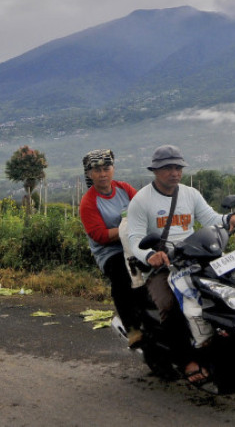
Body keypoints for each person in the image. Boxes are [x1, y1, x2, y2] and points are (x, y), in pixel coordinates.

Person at [126, 144, 235, 384]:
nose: (174, 173)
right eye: (168, 168)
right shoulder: (141, 201)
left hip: (195, 258)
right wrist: (150, 255)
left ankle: (231, 347)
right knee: (171, 306)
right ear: (155, 171)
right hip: (163, 267)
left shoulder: (190, 194)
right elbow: (134, 238)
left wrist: (230, 218)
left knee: (232, 290)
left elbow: (211, 218)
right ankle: (186, 360)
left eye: (178, 167)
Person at [78, 148, 144, 347]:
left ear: (113, 169)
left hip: (134, 242)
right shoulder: (88, 202)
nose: (103, 174)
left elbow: (143, 208)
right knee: (122, 276)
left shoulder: (124, 189)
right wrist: (125, 228)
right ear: (90, 174)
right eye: (97, 171)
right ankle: (132, 328)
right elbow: (99, 236)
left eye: (106, 168)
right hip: (110, 251)